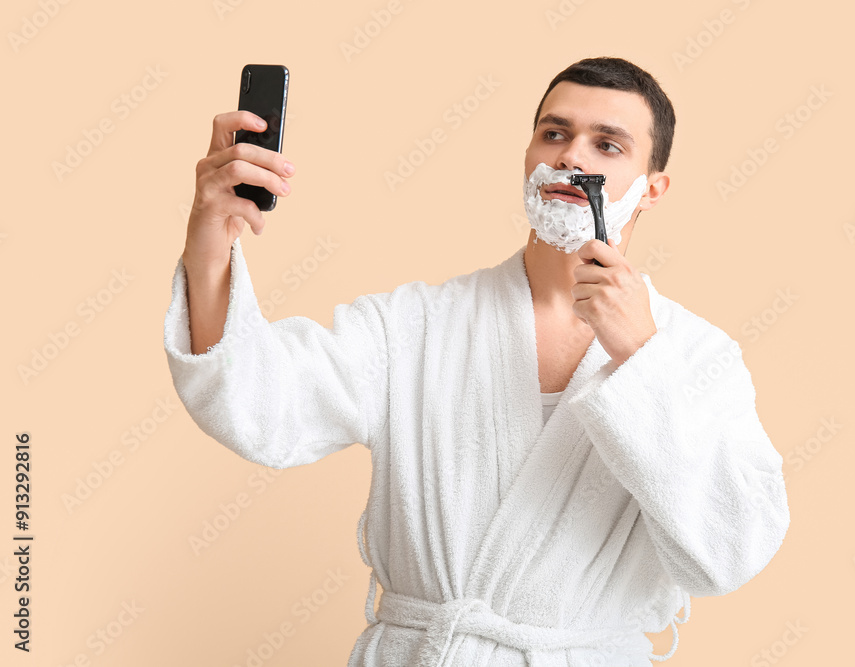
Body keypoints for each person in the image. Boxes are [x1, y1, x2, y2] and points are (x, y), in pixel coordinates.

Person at [163, 56, 790, 667]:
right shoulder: (415, 326)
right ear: (528, 156)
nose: (571, 156)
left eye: (607, 145)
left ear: (652, 189)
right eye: (555, 133)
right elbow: (253, 402)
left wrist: (642, 361)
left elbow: (731, 551)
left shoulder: (697, 356)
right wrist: (210, 236)